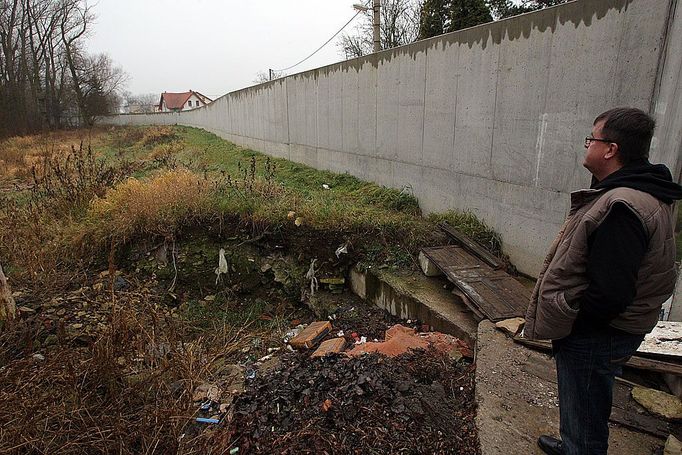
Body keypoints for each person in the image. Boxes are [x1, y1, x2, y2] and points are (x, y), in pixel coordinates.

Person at [523, 107, 682, 455]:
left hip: (598, 334)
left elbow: (611, 293)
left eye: (591, 139)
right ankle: (573, 443)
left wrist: (575, 323)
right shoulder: (639, 191)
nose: (587, 146)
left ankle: (579, 447)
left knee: (586, 405)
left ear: (610, 149)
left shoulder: (623, 205)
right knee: (587, 401)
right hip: (610, 330)